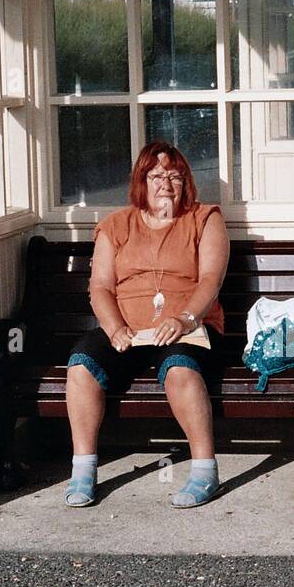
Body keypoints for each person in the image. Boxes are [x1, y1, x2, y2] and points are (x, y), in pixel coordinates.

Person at [63, 141, 229, 509]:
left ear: (186, 182)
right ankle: (83, 470)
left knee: (180, 368)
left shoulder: (205, 218)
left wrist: (184, 318)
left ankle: (204, 471)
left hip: (186, 327)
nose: (166, 184)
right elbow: (101, 287)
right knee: (81, 366)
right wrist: (114, 327)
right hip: (128, 330)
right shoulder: (115, 225)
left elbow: (210, 280)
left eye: (175, 176)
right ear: (141, 181)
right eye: (156, 176)